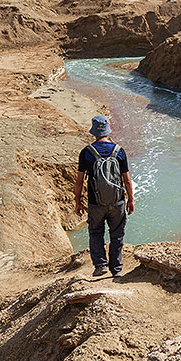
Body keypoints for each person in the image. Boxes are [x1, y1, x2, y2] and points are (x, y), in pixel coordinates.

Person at [75, 115, 135, 277]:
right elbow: (127, 180)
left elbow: (79, 181)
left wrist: (78, 202)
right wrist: (130, 200)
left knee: (96, 232)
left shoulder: (86, 153)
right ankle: (116, 269)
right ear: (108, 130)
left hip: (96, 202)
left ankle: (100, 265)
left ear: (94, 131)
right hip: (117, 201)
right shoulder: (119, 151)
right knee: (117, 234)